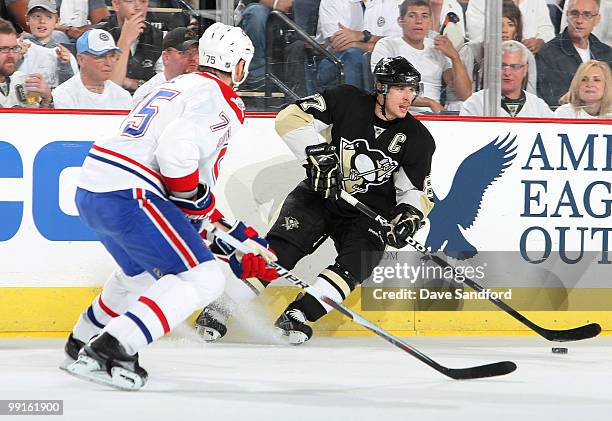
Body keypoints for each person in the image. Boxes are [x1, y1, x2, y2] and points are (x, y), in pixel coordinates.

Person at [61, 23, 278, 391]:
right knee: (204, 278)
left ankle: (80, 343)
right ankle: (112, 349)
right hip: (130, 192)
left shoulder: (171, 86)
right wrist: (207, 221)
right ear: (238, 66)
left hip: (96, 186)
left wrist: (232, 235)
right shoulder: (222, 99)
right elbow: (177, 154)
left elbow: (186, 189)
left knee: (140, 277)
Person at [195, 56, 436, 345]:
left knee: (357, 264)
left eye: (412, 89)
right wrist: (319, 154)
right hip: (321, 195)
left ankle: (298, 314)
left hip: (367, 214)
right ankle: (221, 307)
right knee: (279, 253)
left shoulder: (419, 139)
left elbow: (417, 192)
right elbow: (290, 117)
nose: (409, 97)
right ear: (381, 87)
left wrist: (406, 218)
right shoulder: (347, 100)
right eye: (400, 89)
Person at [371, 0, 472, 113]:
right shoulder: (387, 45)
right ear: (400, 21)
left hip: (434, 117)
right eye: (412, 16)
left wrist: (455, 57)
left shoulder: (436, 48)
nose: (419, 21)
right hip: (398, 114)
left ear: (429, 22)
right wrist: (429, 102)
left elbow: (466, 94)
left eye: (424, 16)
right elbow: (386, 89)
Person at [537, 0, 612, 107]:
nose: (579, 20)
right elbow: (553, 101)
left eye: (587, 15)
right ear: (567, 16)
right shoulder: (548, 54)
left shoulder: (607, 53)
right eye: (574, 13)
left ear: (597, 20)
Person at [316, 0, 402, 91]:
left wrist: (361, 38)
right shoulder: (333, 2)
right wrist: (368, 42)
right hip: (336, 60)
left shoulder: (395, 4)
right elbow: (338, 44)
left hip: (382, 59)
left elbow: (400, 44)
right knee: (353, 55)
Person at [460, 40, 553, 117]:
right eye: (502, 65)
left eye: (515, 66)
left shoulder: (539, 107)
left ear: (525, 70)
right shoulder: (474, 104)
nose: (507, 73)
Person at [52, 29, 132, 109]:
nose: (109, 63)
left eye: (112, 56)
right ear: (81, 60)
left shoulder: (123, 96)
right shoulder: (63, 95)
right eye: (101, 56)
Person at [95, 0, 163, 92]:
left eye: (143, 1)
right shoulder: (98, 35)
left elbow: (162, 85)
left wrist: (130, 82)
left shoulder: (156, 36)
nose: (138, 7)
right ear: (116, 4)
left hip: (143, 102)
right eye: (130, 1)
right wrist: (125, 39)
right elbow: (110, 86)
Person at [17, 0, 78, 89]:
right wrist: (16, 59)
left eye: (49, 17)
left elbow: (71, 91)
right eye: (37, 16)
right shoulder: (15, 46)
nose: (42, 21)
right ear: (27, 20)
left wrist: (65, 66)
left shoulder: (65, 55)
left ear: (57, 21)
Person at [132, 27, 199, 105]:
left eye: (196, 53)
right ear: (166, 57)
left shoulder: (207, 87)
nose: (193, 58)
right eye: (185, 53)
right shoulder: (146, 94)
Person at [466, 0, 555, 54]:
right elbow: (477, 39)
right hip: (491, 63)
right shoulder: (478, 2)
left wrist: (540, 41)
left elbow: (547, 29)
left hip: (531, 61)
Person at [0, 17, 52, 107]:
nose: (11, 55)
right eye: (4, 49)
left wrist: (46, 99)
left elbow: (35, 114)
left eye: (15, 48)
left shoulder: (22, 80)